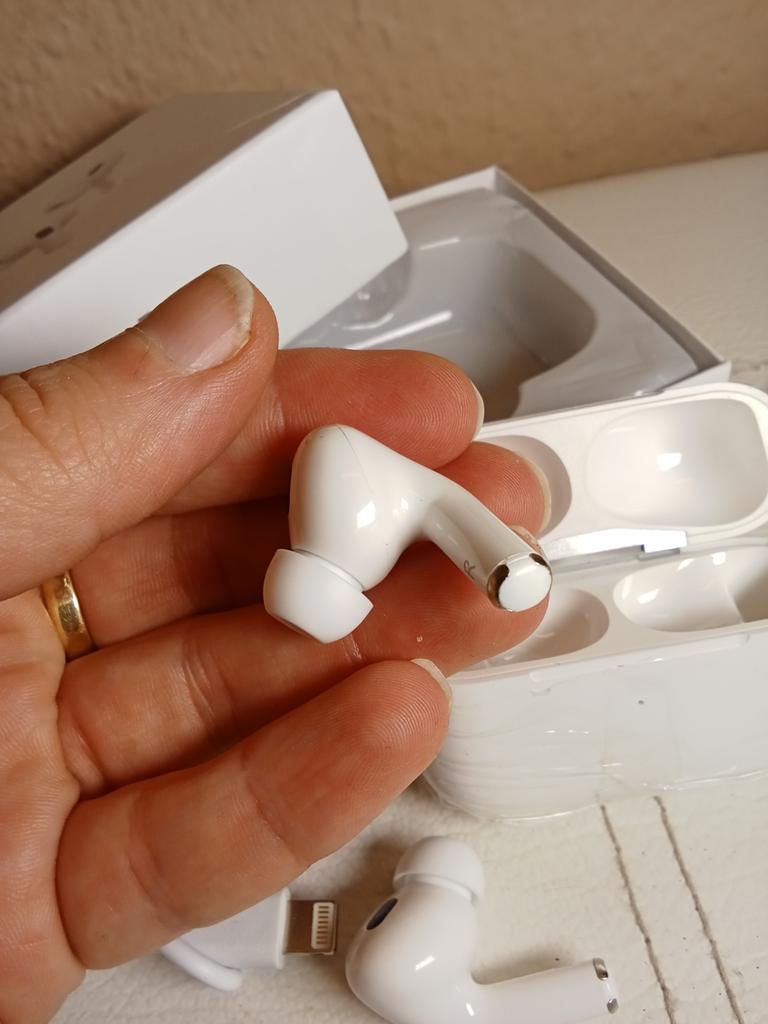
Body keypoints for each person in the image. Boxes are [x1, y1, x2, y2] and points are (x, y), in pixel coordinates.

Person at [0, 266, 548, 1024]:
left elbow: (444, 504)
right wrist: (501, 565)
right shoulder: (357, 505)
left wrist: (503, 563)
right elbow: (445, 505)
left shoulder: (353, 507)